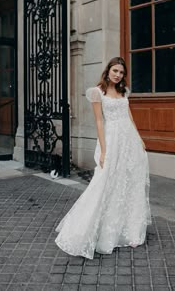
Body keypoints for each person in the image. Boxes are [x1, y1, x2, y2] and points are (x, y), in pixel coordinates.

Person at [55, 57, 151, 259]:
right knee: (104, 181)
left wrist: (139, 139)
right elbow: (99, 121)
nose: (118, 75)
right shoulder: (97, 92)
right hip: (111, 140)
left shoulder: (124, 91)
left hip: (128, 140)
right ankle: (90, 229)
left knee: (129, 182)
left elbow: (130, 116)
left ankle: (128, 230)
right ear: (108, 71)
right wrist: (104, 150)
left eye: (121, 72)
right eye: (115, 71)